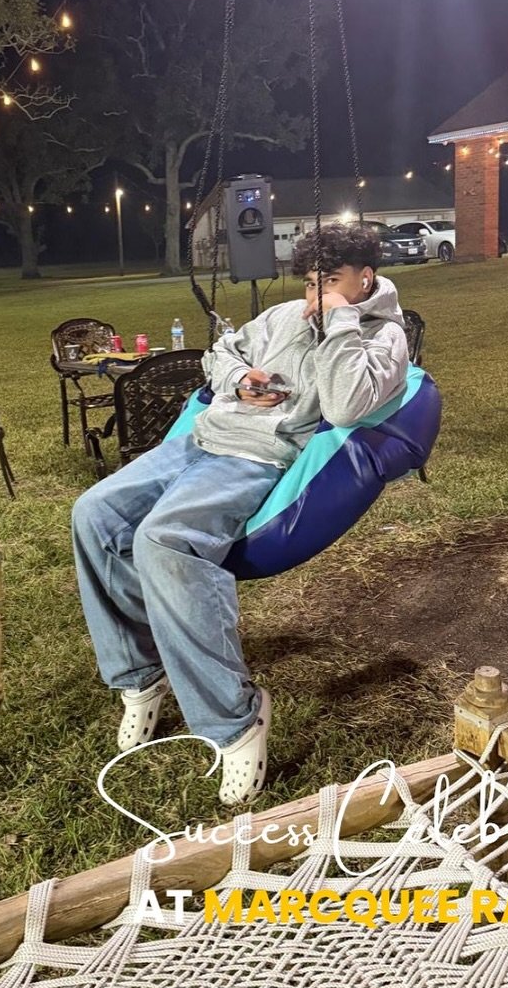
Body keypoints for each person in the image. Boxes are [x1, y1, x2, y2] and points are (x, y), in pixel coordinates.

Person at [71, 223, 410, 806]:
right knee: (93, 512)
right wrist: (240, 378)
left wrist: (340, 322)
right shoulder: (282, 316)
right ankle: (141, 674)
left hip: (256, 457)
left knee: (163, 540)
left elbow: (346, 405)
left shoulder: (383, 337)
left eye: (330, 282)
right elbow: (221, 351)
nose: (315, 296)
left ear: (365, 278)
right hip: (200, 439)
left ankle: (235, 720)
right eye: (310, 283)